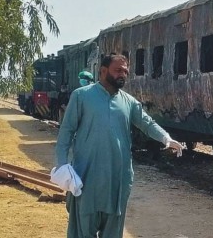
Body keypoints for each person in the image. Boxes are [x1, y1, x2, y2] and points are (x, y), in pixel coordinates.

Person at [54, 54, 183, 238]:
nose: (123, 74)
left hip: (118, 180)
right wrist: (62, 166)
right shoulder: (81, 96)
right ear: (103, 71)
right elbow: (66, 132)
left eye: (125, 71)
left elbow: (147, 123)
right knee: (83, 230)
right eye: (118, 70)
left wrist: (166, 138)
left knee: (113, 230)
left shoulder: (129, 102)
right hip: (87, 178)